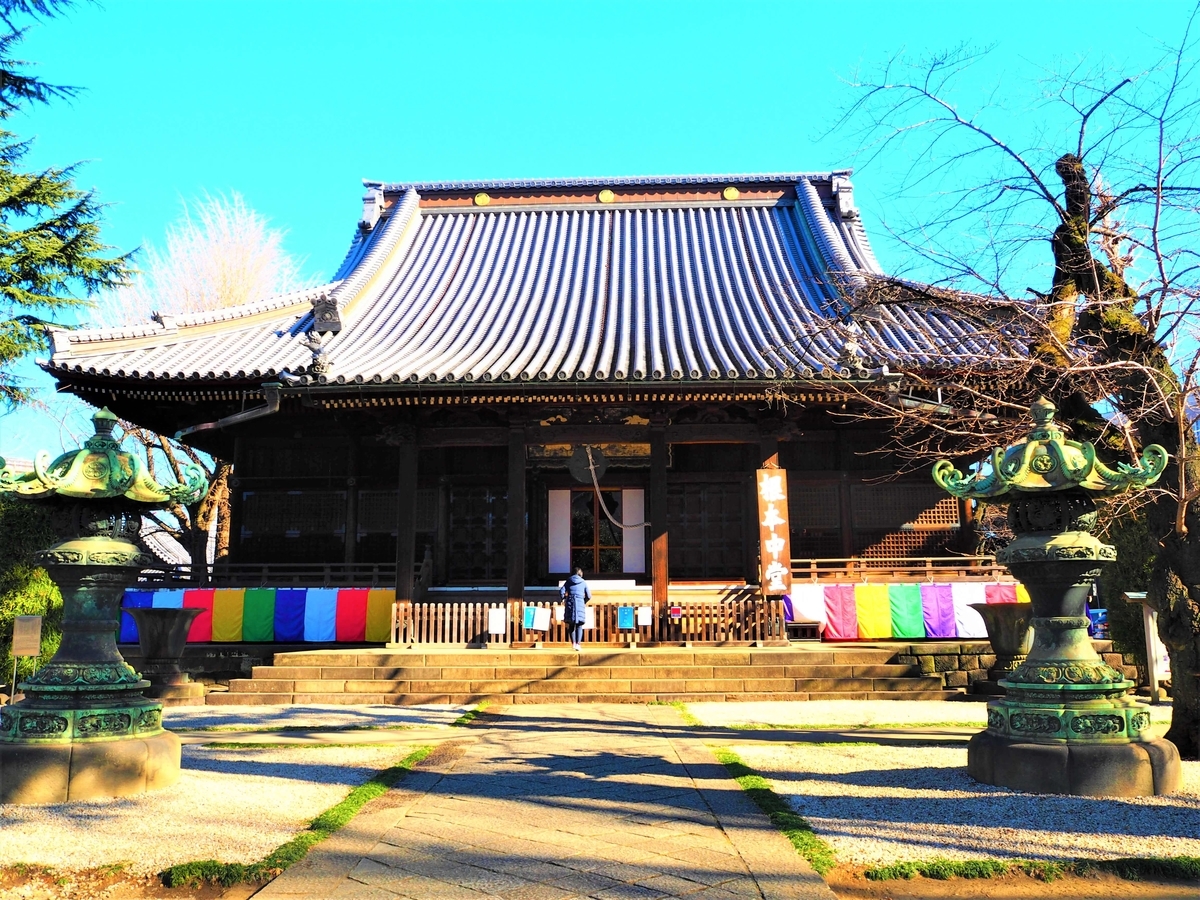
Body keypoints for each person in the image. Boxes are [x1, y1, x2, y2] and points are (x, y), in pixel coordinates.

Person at [560, 566, 591, 651]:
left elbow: (561, 591)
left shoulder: (568, 581)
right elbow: (589, 595)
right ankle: (578, 644)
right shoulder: (583, 582)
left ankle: (573, 643)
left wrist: (564, 599)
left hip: (570, 603)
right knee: (579, 625)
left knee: (571, 624)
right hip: (580, 603)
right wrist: (583, 601)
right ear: (580, 573)